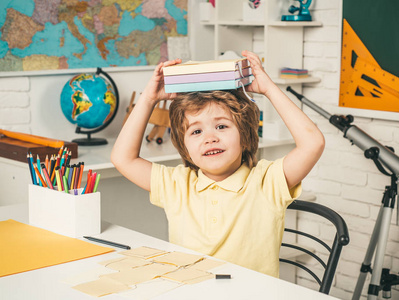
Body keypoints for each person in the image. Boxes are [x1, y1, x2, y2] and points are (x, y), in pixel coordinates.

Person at [111, 50, 325, 277]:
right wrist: (148, 98)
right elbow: (123, 158)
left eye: (222, 126)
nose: (209, 138)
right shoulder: (176, 185)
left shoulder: (267, 182)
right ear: (184, 146)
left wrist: (269, 90)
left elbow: (313, 143)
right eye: (196, 131)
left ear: (244, 135)